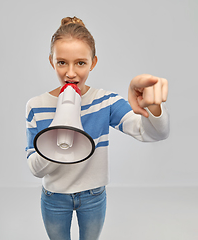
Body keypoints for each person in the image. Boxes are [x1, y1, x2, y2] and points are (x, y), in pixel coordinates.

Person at [25, 16, 169, 240]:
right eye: (62, 62)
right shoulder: (36, 106)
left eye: (80, 63)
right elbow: (35, 169)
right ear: (52, 61)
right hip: (54, 197)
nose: (70, 73)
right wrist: (59, 130)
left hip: (93, 196)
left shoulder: (105, 101)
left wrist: (153, 107)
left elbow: (154, 133)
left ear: (93, 63)